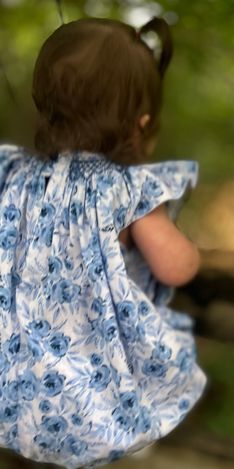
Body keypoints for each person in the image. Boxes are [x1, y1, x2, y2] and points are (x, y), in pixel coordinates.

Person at [0, 17, 206, 469]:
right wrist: (190, 252)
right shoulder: (128, 191)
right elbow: (175, 268)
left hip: (13, 387)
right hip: (89, 396)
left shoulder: (14, 176)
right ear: (143, 124)